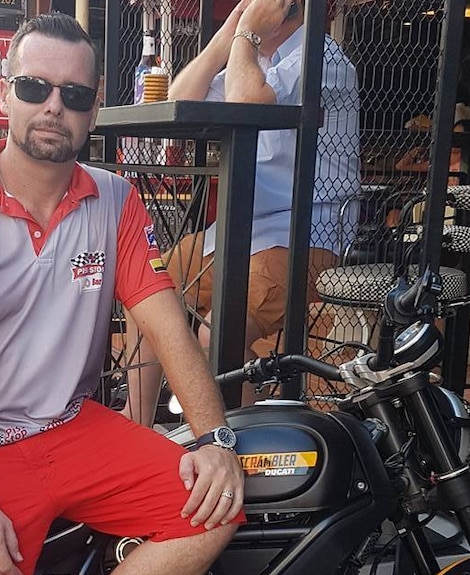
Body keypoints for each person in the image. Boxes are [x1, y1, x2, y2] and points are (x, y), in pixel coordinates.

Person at [0, 13, 244, 575]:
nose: (54, 107)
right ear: (5, 96)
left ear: (93, 111)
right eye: (34, 87)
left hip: (69, 428)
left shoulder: (116, 201)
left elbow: (166, 325)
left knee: (213, 509)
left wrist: (213, 439)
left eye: (73, 94)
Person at [124, 0, 360, 424]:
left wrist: (247, 33)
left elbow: (247, 102)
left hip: (303, 235)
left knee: (217, 332)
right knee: (148, 286)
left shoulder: (320, 58)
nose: (245, 5)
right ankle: (137, 419)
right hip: (240, 234)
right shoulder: (257, 59)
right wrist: (228, 37)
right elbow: (180, 99)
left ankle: (241, 444)